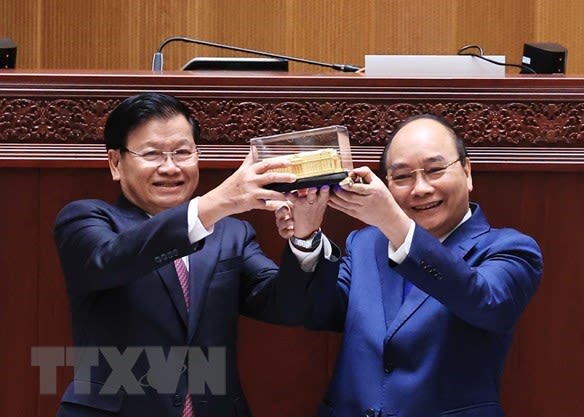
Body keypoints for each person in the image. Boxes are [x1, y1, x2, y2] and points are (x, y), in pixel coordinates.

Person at [53, 92, 305, 417]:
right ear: (115, 163)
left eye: (183, 152)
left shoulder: (232, 233)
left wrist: (305, 237)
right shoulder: (86, 219)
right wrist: (215, 204)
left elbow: (287, 305)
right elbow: (111, 260)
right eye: (152, 154)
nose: (170, 168)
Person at [275, 114, 543, 417]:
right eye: (402, 177)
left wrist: (393, 222)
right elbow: (315, 311)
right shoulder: (365, 244)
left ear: (467, 171)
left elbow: (485, 301)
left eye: (435, 170)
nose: (420, 188)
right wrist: (306, 234)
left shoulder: (510, 248)